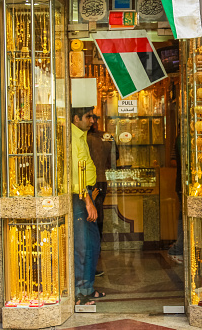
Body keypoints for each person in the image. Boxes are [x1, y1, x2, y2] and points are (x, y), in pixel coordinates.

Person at [71, 105, 106, 306]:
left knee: (92, 244)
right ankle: (79, 294)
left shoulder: (81, 136)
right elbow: (77, 173)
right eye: (88, 116)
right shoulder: (73, 139)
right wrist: (87, 201)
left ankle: (87, 288)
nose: (92, 120)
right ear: (76, 118)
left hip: (87, 193)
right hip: (80, 196)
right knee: (83, 246)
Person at [87, 115, 119, 277]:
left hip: (90, 182)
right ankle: (96, 254)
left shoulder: (85, 138)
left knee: (91, 219)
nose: (92, 121)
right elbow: (115, 157)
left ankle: (92, 259)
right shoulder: (107, 137)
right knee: (97, 218)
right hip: (101, 180)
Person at [168, 131, 183, 264]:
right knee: (185, 217)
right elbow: (172, 160)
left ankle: (179, 248)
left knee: (183, 216)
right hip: (184, 184)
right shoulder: (182, 138)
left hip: (182, 184)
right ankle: (178, 249)